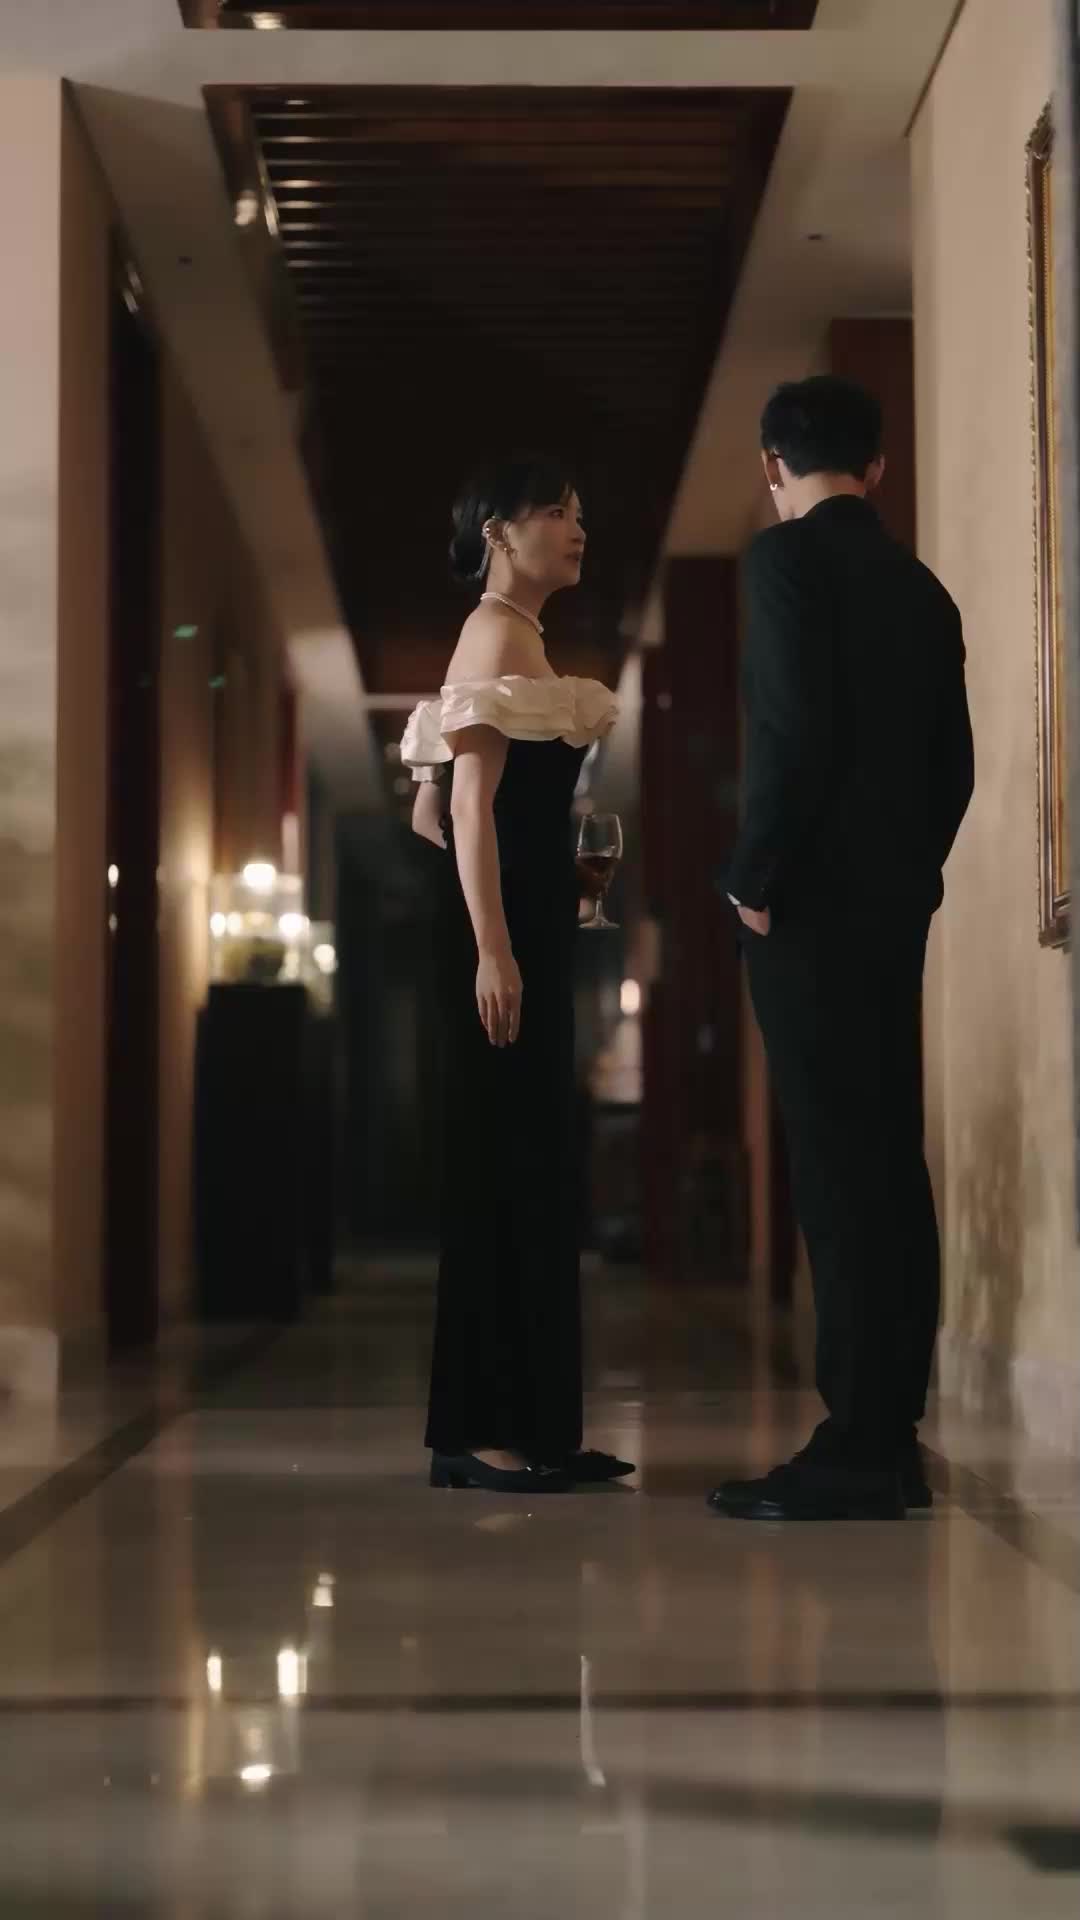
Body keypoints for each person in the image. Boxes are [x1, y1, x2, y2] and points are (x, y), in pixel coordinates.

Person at [709, 375, 974, 1522]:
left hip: (810, 908)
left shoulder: (785, 562)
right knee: (888, 1160)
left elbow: (790, 729)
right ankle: (889, 1432)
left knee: (833, 1165)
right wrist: (911, 876)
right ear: (876, 467)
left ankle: (857, 1446)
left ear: (773, 467)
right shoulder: (921, 587)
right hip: (892, 908)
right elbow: (954, 766)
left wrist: (752, 877)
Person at [402, 454, 633, 1493]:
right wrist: (493, 943)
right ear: (498, 530)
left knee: (533, 1166)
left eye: (579, 511)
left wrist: (549, 883)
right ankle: (477, 1433)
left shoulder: (520, 638)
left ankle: (539, 1426)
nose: (576, 527)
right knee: (502, 1169)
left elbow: (432, 811)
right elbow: (461, 810)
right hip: (503, 948)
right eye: (554, 511)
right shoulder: (494, 633)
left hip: (526, 929)